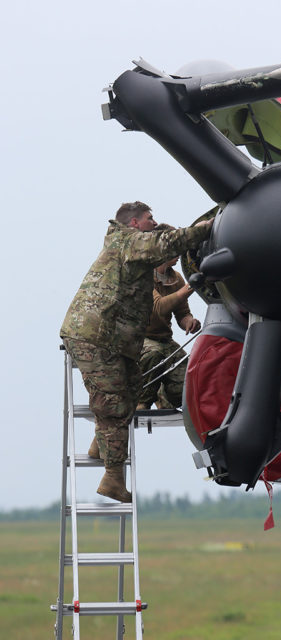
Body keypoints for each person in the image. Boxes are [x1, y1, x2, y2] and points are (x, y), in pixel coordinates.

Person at [60, 201, 212, 502]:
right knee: (114, 407)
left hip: (113, 338)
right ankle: (113, 479)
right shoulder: (129, 241)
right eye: (149, 218)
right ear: (133, 223)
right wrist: (211, 228)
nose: (154, 222)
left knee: (131, 389)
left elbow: (167, 245)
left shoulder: (136, 252)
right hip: (96, 336)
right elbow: (169, 241)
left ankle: (99, 445)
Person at [137, 234, 201, 410]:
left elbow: (182, 313)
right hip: (141, 340)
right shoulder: (143, 275)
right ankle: (141, 402)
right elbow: (160, 307)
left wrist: (189, 322)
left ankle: (163, 396)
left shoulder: (176, 278)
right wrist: (194, 284)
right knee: (154, 355)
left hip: (164, 339)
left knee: (187, 385)